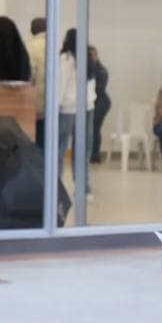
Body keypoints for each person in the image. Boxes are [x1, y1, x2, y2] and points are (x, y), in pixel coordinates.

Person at [57, 29, 96, 198]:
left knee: (60, 149)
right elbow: (92, 85)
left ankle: (56, 187)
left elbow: (60, 85)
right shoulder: (89, 59)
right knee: (83, 150)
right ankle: (83, 188)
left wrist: (56, 105)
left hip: (67, 109)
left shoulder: (65, 59)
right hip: (87, 108)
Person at [88, 46, 111, 163]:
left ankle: (95, 155)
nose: (90, 57)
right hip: (93, 101)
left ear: (96, 56)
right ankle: (91, 153)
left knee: (95, 127)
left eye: (92, 55)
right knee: (92, 128)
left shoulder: (101, 70)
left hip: (101, 102)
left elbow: (99, 88)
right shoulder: (89, 69)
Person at [28, 17, 48, 144]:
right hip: (55, 105)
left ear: (31, 30)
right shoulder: (58, 46)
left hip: (34, 104)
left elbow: (28, 77)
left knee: (35, 143)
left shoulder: (29, 47)